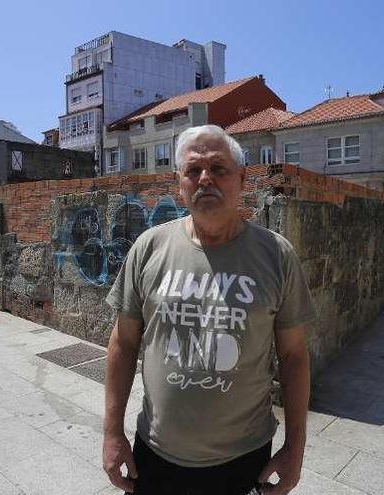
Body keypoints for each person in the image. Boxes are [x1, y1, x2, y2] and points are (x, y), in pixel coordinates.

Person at [102, 124, 316, 495]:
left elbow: (295, 357)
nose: (205, 179)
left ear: (242, 178)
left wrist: (295, 448)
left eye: (218, 169)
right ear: (179, 182)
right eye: (193, 170)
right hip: (155, 456)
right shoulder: (149, 248)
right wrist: (112, 432)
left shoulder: (276, 255)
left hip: (245, 461)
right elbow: (122, 345)